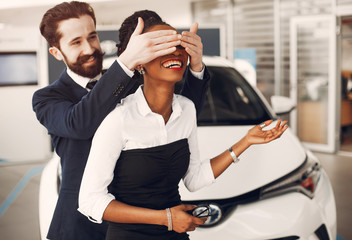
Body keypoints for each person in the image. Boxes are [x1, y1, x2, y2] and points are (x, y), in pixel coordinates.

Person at [78, 10, 288, 240]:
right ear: (139, 62)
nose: (174, 51)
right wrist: (165, 218)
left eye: (178, 44)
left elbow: (194, 179)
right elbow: (90, 201)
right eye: (161, 45)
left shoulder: (186, 109)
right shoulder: (118, 119)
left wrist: (245, 142)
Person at [32, 1, 210, 240]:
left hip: (135, 227)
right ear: (56, 52)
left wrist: (196, 66)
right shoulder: (47, 98)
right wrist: (127, 62)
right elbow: (80, 123)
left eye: (92, 36)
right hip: (81, 229)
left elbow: (180, 113)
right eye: (76, 42)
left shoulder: (132, 80)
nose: (89, 48)